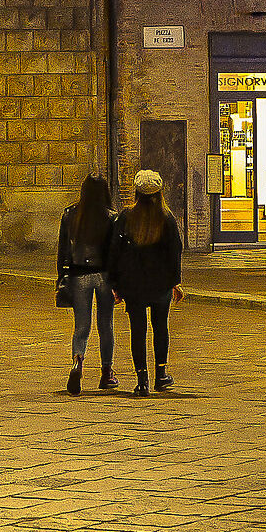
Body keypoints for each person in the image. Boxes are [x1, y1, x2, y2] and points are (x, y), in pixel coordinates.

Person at [108, 169, 184, 396]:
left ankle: (142, 380)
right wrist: (175, 282)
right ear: (160, 193)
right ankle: (161, 374)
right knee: (161, 328)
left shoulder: (125, 217)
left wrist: (116, 285)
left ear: (137, 193)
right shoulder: (167, 218)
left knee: (138, 331)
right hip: (160, 284)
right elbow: (175, 253)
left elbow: (115, 253)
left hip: (134, 285)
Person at [56, 175, 118, 395]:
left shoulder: (70, 214)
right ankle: (106, 372)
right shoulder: (112, 217)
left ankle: (78, 360)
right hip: (104, 275)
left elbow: (63, 250)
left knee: (81, 326)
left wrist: (61, 277)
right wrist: (118, 281)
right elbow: (115, 252)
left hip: (78, 275)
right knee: (105, 325)